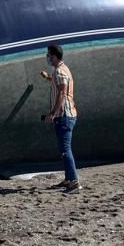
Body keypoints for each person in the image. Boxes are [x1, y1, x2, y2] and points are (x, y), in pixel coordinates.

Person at [42, 44, 80, 193]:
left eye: (49, 55)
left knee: (65, 150)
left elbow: (62, 93)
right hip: (66, 115)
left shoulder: (59, 71)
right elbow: (59, 84)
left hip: (64, 116)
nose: (48, 58)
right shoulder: (62, 70)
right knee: (64, 150)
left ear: (54, 56)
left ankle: (74, 182)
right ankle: (68, 179)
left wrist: (53, 113)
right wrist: (48, 78)